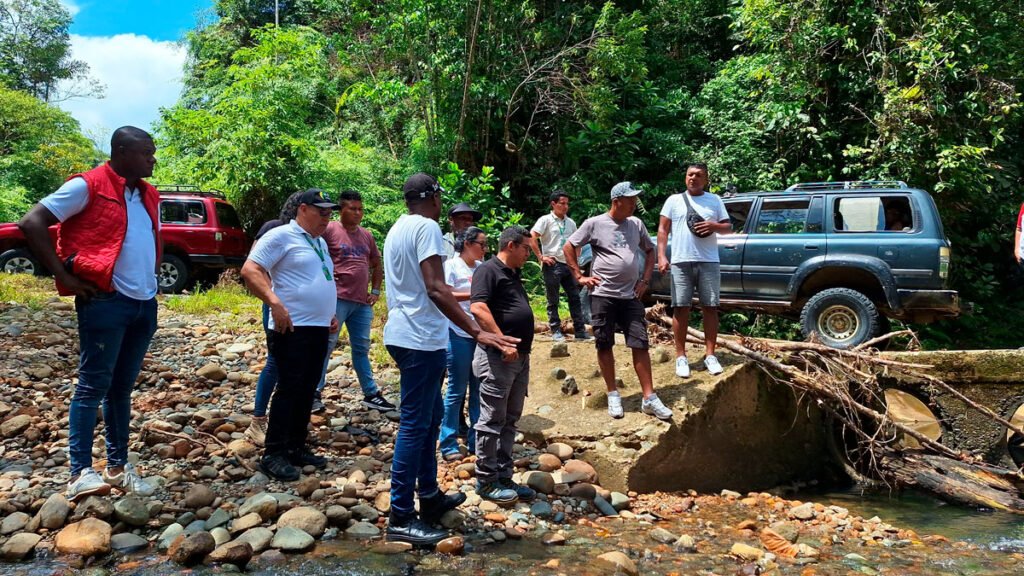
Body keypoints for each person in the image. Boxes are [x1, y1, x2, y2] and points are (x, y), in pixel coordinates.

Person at [18, 126, 160, 501]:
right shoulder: (88, 185)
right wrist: (63, 276)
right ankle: (79, 472)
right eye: (146, 152)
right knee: (92, 386)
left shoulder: (147, 193)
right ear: (122, 151)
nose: (152, 158)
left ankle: (116, 467)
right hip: (106, 301)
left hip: (143, 302)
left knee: (121, 389)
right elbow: (31, 222)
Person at [383, 173, 518, 546]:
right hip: (419, 338)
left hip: (407, 334)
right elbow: (436, 288)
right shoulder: (426, 227)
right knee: (414, 425)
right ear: (434, 197)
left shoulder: (397, 228)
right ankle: (400, 514)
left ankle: (428, 496)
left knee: (426, 421)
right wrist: (477, 331)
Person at [241, 189, 341, 481]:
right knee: (288, 388)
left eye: (329, 212)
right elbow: (251, 269)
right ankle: (273, 453)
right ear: (302, 209)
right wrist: (274, 302)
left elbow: (317, 278)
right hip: (291, 326)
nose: (327, 217)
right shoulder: (281, 235)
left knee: (308, 388)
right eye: (321, 211)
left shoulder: (318, 241)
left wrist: (329, 312)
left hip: (318, 326)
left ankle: (296, 446)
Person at [564, 181, 673, 421]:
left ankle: (649, 397)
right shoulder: (595, 223)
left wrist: (645, 280)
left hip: (630, 296)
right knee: (604, 343)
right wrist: (579, 276)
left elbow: (650, 250)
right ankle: (613, 394)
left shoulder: (636, 224)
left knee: (640, 343)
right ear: (616, 202)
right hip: (603, 294)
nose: (635, 204)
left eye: (635, 200)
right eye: (631, 200)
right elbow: (569, 246)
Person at [471, 226, 538, 505]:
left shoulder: (512, 273)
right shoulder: (488, 270)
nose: (528, 254)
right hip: (498, 357)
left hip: (519, 357)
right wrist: (502, 341)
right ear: (511, 245)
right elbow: (478, 308)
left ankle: (504, 474)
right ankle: (486, 480)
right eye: (526, 248)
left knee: (510, 418)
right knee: (491, 419)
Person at [312, 190, 394, 414]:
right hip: (336, 299)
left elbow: (377, 264)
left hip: (361, 303)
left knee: (361, 348)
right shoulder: (329, 230)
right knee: (326, 346)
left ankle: (371, 394)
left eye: (360, 209)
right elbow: (315, 256)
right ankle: (314, 392)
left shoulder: (366, 235)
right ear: (341, 210)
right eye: (353, 209)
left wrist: (375, 291)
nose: (358, 213)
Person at [657, 163, 732, 378]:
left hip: (709, 261)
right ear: (685, 178)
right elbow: (663, 229)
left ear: (706, 179)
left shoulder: (715, 200)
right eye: (690, 174)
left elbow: (728, 228)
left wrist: (714, 226)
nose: (693, 178)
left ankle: (710, 355)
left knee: (710, 307)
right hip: (680, 261)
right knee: (681, 307)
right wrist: (662, 256)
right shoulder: (673, 201)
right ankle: (681, 356)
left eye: (699, 175)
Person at [246, 191, 304, 446]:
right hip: (278, 307)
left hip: (302, 313)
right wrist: (273, 298)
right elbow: (254, 265)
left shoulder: (310, 237)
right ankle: (258, 420)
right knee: (275, 362)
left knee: (296, 366)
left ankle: (288, 425)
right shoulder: (275, 229)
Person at [438, 227, 487, 462]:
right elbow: (444, 295)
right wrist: (473, 294)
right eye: (482, 244)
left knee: (478, 389)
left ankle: (476, 440)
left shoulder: (480, 268)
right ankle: (447, 441)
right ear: (467, 243)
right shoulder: (450, 266)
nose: (485, 249)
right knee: (456, 389)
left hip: (480, 335)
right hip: (457, 332)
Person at [529, 191, 590, 341]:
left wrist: (576, 262)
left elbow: (576, 242)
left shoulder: (571, 222)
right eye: (562, 203)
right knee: (553, 299)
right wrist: (541, 257)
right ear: (553, 204)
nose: (565, 206)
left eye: (567, 203)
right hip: (553, 263)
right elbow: (532, 236)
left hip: (568, 264)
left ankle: (580, 331)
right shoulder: (545, 220)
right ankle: (555, 330)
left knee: (575, 297)